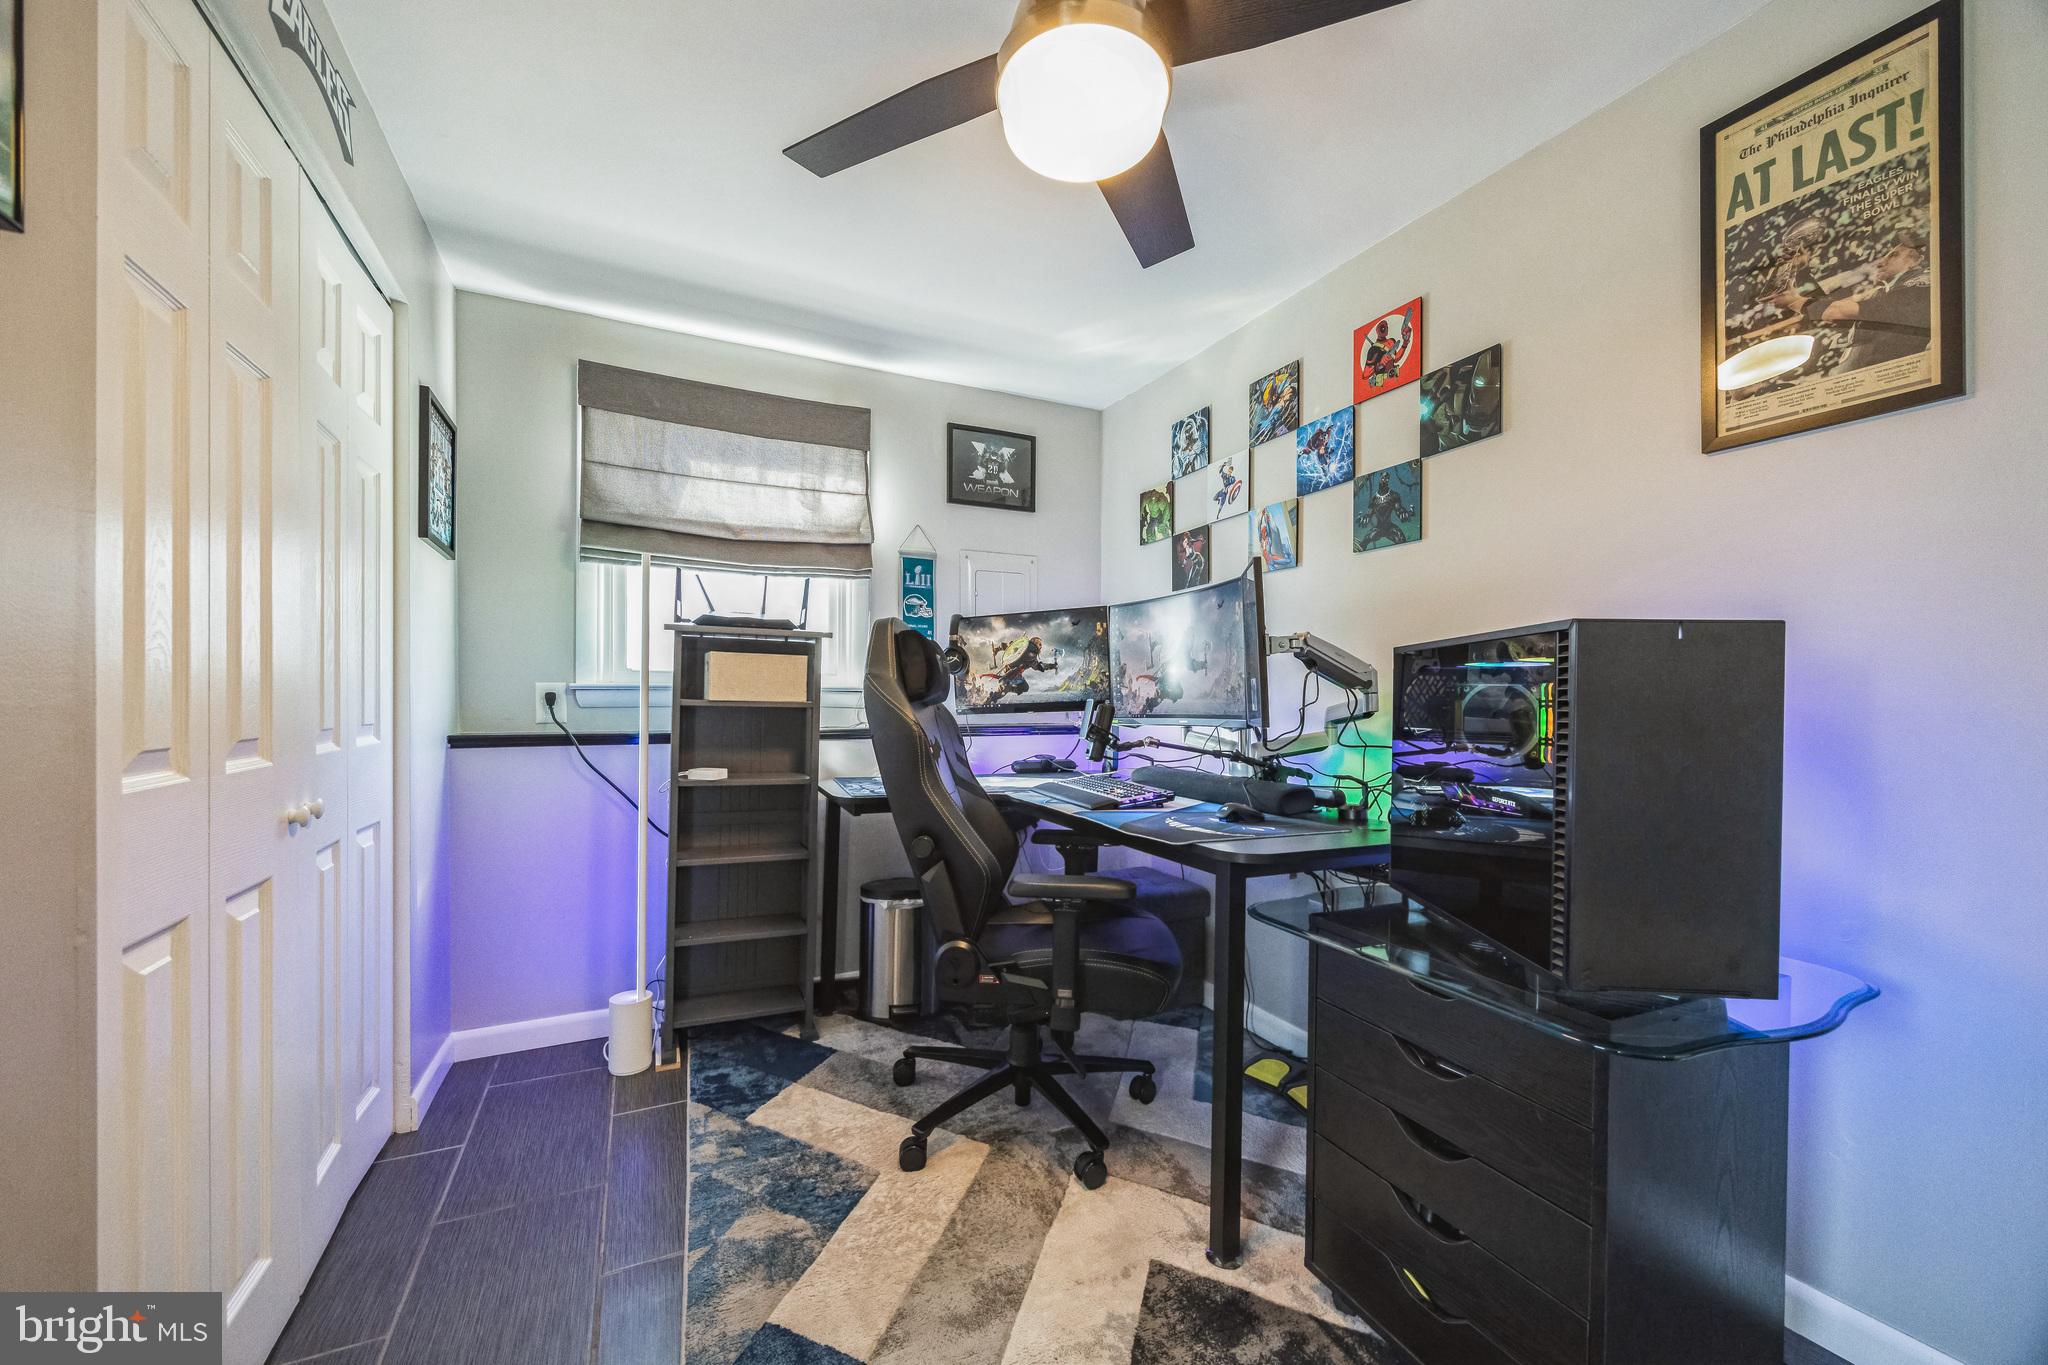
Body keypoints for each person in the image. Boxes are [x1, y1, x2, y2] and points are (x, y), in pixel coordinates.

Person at [1822, 235, 1932, 371]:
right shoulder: (1883, 291)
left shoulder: (1921, 285)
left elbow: (1833, 310)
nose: (1880, 263)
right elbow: (1829, 311)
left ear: (1916, 261)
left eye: (1894, 255)